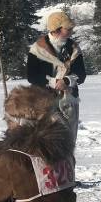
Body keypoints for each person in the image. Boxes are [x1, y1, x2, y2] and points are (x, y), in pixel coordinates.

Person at [27, 10, 86, 142]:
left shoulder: (74, 48)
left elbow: (81, 74)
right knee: (46, 139)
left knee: (68, 140)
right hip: (44, 101)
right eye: (67, 28)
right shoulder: (37, 49)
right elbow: (32, 76)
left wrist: (67, 80)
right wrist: (53, 82)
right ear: (56, 29)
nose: (71, 30)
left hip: (69, 101)